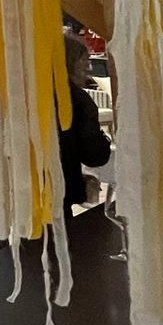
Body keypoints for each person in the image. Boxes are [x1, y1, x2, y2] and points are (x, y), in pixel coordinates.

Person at [61, 33, 112, 207]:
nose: (89, 68)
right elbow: (94, 155)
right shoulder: (77, 99)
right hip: (62, 191)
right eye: (84, 61)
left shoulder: (28, 95)